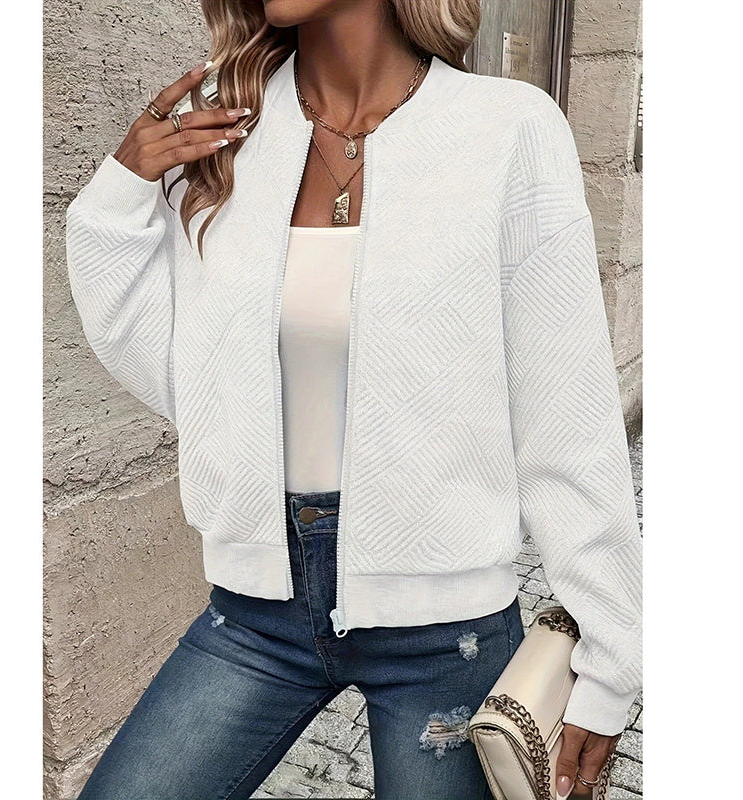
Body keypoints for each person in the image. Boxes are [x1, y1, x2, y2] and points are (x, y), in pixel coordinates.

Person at [64, 1, 642, 798]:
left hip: (446, 632)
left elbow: (566, 415)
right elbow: (186, 378)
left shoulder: (508, 129)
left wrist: (610, 661)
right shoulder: (227, 133)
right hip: (256, 611)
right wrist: (120, 195)